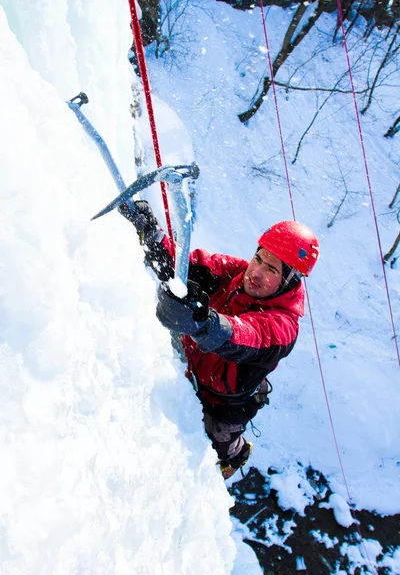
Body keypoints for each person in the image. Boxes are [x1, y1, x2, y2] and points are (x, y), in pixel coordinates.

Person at [119, 201, 320, 479]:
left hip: (222, 403)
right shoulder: (236, 272)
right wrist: (154, 238)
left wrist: (202, 322)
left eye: (272, 270)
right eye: (258, 258)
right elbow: (184, 268)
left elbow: (243, 335)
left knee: (220, 441)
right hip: (195, 367)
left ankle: (235, 457)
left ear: (289, 280)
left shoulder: (283, 326)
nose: (256, 272)